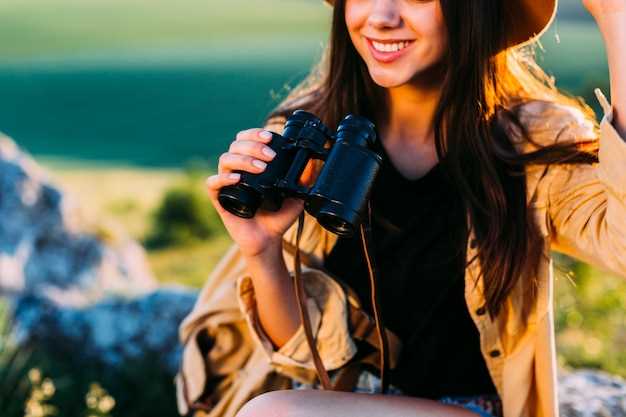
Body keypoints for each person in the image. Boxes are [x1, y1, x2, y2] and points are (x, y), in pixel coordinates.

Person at [177, 0, 626, 416]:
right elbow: (300, 350)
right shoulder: (315, 137)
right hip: (342, 404)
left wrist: (614, 16)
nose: (381, 16)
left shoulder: (534, 138)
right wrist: (262, 251)